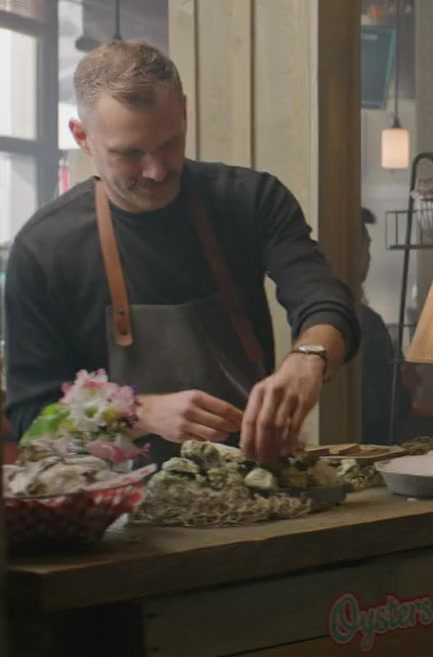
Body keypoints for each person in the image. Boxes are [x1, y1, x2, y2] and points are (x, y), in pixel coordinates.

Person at [3, 40, 360, 464]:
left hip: (251, 479)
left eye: (169, 144)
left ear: (184, 113)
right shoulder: (43, 250)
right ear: (83, 137)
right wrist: (137, 412)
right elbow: (32, 421)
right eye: (130, 154)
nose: (156, 171)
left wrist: (307, 359)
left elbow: (325, 301)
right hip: (112, 497)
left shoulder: (251, 200)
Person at [357, 208, 411, 444]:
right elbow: (383, 404)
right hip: (371, 444)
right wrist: (406, 388)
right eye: (365, 247)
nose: (369, 258)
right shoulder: (366, 322)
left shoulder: (366, 319)